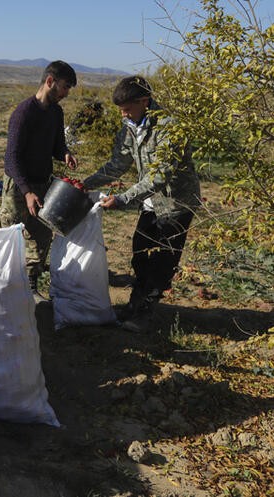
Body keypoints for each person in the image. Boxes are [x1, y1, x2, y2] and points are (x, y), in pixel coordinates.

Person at [83, 75, 201, 333]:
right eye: (121, 110)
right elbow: (118, 164)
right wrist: (86, 184)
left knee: (162, 261)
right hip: (149, 203)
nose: (124, 114)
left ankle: (145, 312)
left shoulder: (169, 127)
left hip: (175, 205)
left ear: (144, 101)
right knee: (140, 253)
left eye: (127, 109)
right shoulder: (129, 126)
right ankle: (135, 304)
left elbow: (160, 175)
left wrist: (124, 199)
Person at [0, 60, 79, 303]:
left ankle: (30, 286)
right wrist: (26, 192)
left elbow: (56, 145)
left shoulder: (56, 112)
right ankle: (2, 286)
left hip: (44, 184)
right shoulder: (24, 113)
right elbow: (11, 158)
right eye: (65, 87)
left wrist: (64, 153)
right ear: (50, 81)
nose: (66, 93)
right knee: (9, 235)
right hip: (18, 186)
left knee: (41, 237)